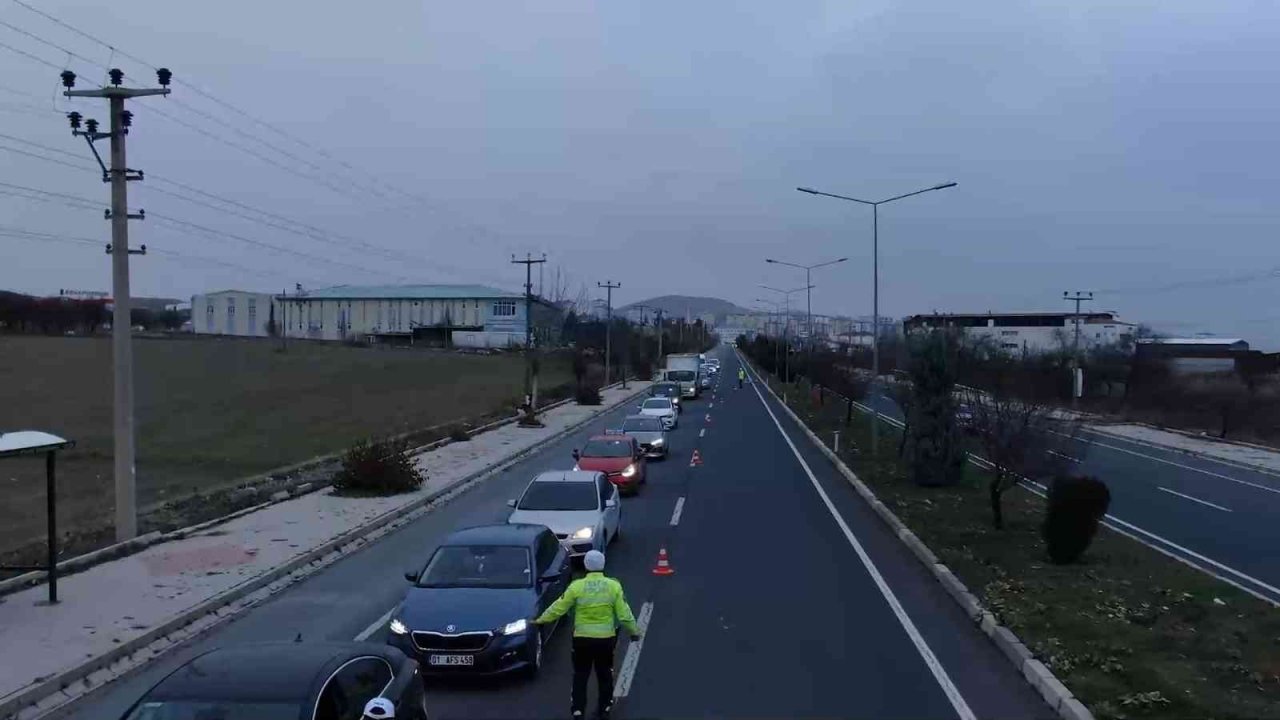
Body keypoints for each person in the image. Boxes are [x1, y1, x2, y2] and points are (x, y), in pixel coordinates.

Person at [535, 550, 640, 720]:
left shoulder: (577, 586)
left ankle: (578, 711)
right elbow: (624, 614)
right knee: (605, 674)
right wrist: (635, 632)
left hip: (582, 640)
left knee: (581, 675)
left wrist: (541, 620)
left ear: (585, 565)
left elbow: (559, 607)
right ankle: (604, 708)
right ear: (603, 564)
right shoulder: (613, 586)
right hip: (606, 640)